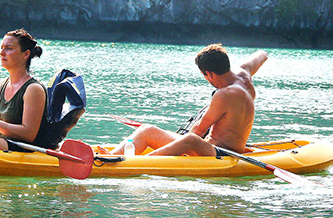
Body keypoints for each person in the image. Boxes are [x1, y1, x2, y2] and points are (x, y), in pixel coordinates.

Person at [112, 44, 268, 156]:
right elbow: (262, 55)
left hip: (221, 153)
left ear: (209, 74)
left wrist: (174, 143)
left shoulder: (224, 94)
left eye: (205, 77)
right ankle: (111, 156)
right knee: (147, 130)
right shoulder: (244, 74)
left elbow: (199, 131)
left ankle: (138, 163)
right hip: (226, 148)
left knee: (190, 139)